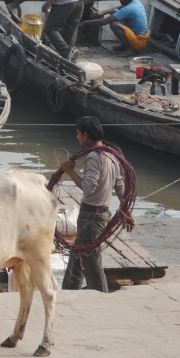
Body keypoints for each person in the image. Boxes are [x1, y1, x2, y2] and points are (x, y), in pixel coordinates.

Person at [58, 116, 132, 293]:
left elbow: (88, 188)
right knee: (77, 254)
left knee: (91, 260)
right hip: (101, 214)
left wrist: (69, 171)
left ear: (85, 135)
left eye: (78, 134)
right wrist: (126, 210)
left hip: (90, 215)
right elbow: (120, 185)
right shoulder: (112, 155)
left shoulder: (93, 156)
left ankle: (101, 295)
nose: (77, 138)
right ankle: (69, 291)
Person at [77, 0, 150, 56]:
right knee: (114, 11)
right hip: (140, 37)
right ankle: (126, 45)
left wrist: (84, 23)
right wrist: (102, 12)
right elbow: (119, 8)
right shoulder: (136, 2)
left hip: (139, 42)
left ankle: (130, 49)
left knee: (114, 24)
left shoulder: (128, 9)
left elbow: (104, 21)